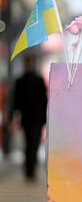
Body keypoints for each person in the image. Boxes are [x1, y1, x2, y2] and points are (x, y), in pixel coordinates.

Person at [11, 53, 48, 182]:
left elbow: (15, 102)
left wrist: (13, 117)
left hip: (27, 119)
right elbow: (44, 101)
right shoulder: (39, 80)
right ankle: (30, 170)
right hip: (37, 119)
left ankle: (29, 171)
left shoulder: (20, 80)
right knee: (34, 144)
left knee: (28, 144)